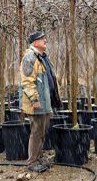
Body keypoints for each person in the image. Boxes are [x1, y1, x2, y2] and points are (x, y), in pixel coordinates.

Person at [19, 31, 61, 173]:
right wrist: (34, 99)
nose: (45, 41)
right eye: (42, 39)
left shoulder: (42, 57)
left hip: (45, 101)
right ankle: (32, 162)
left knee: (42, 132)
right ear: (35, 42)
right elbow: (27, 81)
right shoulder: (30, 57)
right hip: (37, 102)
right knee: (36, 132)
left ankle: (39, 157)